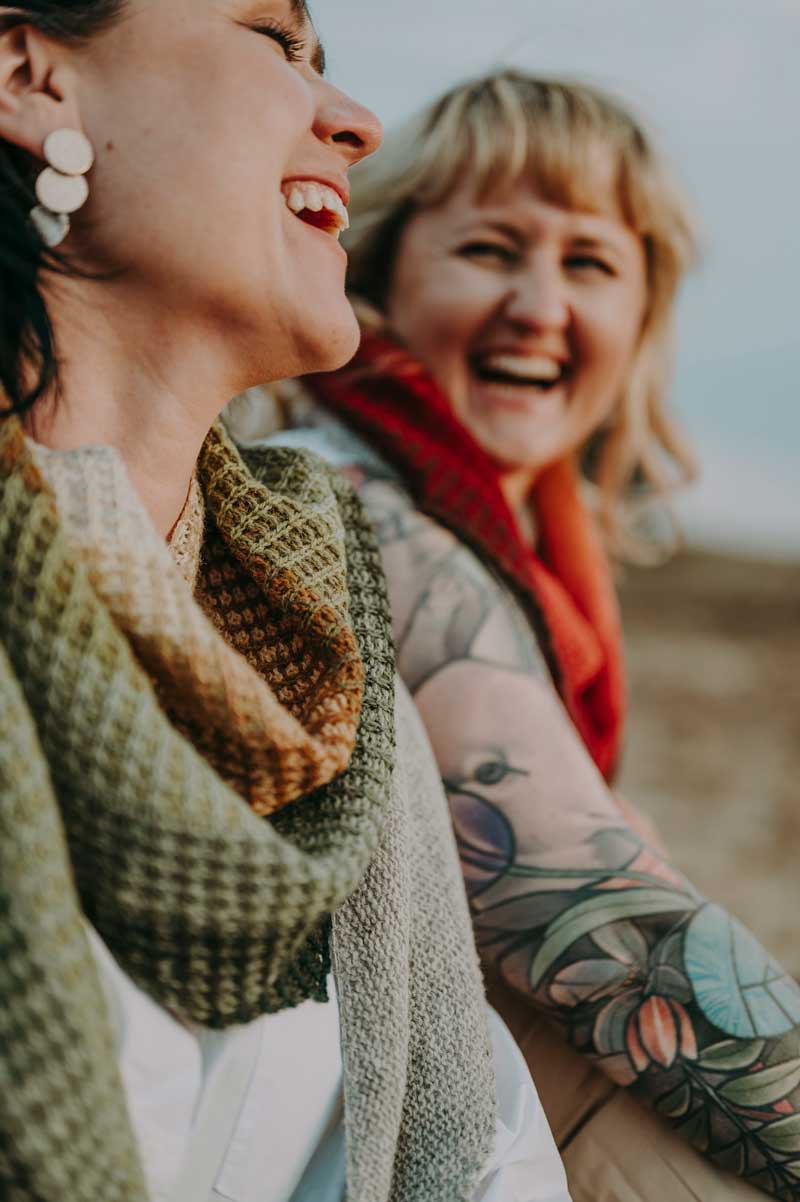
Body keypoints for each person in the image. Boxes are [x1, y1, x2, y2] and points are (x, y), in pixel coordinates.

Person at [0, 14, 572, 1202]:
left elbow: (474, 1146)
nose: (354, 122)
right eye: (272, 34)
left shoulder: (311, 633)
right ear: (27, 76)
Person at [237, 71, 800, 1202]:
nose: (539, 306)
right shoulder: (362, 509)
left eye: (587, 262)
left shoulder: (530, 548)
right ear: (386, 275)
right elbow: (573, 904)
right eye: (491, 249)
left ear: (641, 314)